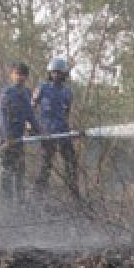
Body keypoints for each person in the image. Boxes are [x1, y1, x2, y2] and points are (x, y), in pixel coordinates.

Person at [33, 56, 80, 200]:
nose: (57, 75)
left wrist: (68, 130)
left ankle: (73, 193)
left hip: (63, 132)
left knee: (71, 161)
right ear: (50, 73)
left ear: (65, 74)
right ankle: (39, 194)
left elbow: (66, 113)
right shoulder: (42, 88)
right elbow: (31, 107)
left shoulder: (67, 92)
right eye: (54, 72)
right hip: (47, 132)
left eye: (60, 73)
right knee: (46, 163)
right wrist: (30, 125)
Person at [0, 62, 39, 203]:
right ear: (12, 75)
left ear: (26, 77)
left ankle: (20, 202)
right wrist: (6, 137)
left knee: (20, 170)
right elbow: (3, 117)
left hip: (19, 139)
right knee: (7, 171)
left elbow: (30, 115)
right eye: (17, 74)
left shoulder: (27, 93)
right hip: (7, 140)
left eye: (22, 74)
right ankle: (7, 203)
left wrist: (39, 130)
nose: (20, 77)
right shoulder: (7, 93)